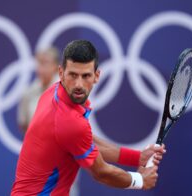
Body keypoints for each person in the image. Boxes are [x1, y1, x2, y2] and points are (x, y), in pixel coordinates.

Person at [11, 40, 166, 195]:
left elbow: (88, 141)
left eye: (86, 76)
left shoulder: (54, 92)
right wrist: (140, 180)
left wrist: (137, 158)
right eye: (73, 75)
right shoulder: (70, 122)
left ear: (96, 76)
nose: (79, 84)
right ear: (61, 73)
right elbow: (101, 173)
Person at [17, 47, 59, 132]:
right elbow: (23, 123)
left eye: (45, 63)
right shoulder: (28, 92)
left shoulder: (67, 91)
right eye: (39, 63)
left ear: (56, 66)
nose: (41, 67)